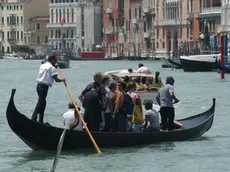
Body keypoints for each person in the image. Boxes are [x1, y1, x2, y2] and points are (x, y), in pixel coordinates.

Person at [31, 55, 65, 123]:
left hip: (38, 86)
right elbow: (55, 79)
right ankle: (33, 118)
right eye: (55, 60)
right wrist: (62, 80)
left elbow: (47, 70)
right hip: (44, 87)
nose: (56, 62)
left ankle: (40, 120)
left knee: (43, 102)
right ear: (52, 60)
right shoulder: (52, 68)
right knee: (40, 103)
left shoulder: (43, 65)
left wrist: (54, 67)